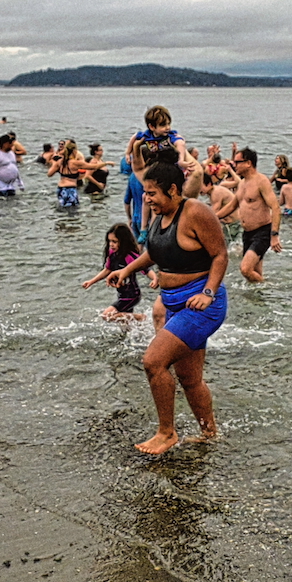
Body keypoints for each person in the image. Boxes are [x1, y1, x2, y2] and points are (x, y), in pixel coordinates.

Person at [106, 161, 228, 454]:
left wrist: (209, 293)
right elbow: (154, 253)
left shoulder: (196, 212)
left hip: (200, 305)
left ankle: (166, 433)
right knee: (189, 378)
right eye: (145, 193)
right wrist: (127, 270)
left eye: (152, 193)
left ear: (173, 190)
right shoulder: (158, 217)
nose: (147, 198)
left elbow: (220, 255)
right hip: (174, 303)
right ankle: (210, 434)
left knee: (153, 361)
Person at [82, 223, 156, 322]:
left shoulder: (130, 256)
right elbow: (107, 270)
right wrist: (91, 281)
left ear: (123, 242)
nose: (111, 244)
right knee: (126, 326)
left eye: (114, 241)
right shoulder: (112, 254)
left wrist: (155, 278)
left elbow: (146, 270)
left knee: (106, 315)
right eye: (109, 241)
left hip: (132, 295)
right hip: (121, 294)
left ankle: (140, 317)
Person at [231, 148, 281, 282]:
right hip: (247, 233)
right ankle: (259, 299)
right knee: (254, 275)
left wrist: (274, 235)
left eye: (237, 162)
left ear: (248, 163)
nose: (234, 165)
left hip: (262, 232)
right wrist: (210, 216)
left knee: (245, 269)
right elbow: (232, 206)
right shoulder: (241, 183)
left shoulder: (261, 181)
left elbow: (275, 207)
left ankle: (271, 288)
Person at [201, 172, 241, 247]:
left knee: (237, 249)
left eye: (200, 186)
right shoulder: (212, 192)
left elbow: (213, 215)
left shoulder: (216, 193)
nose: (199, 189)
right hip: (229, 225)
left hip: (236, 225)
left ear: (209, 184)